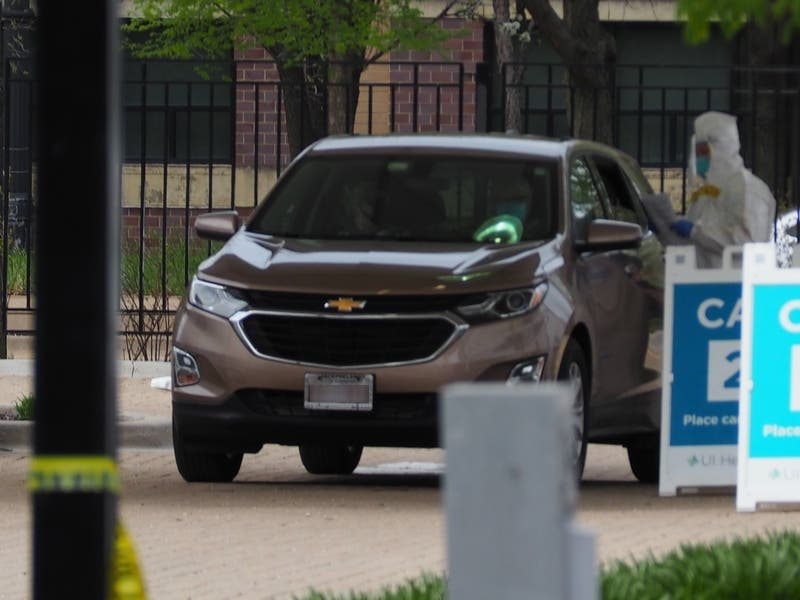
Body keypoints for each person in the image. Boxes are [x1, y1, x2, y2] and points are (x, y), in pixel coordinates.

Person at [670, 111, 776, 268]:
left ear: (720, 148)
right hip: (702, 281)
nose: (698, 159)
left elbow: (748, 241)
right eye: (697, 152)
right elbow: (693, 236)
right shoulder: (706, 192)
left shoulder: (750, 189)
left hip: (739, 283)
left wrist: (696, 232)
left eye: (702, 152)